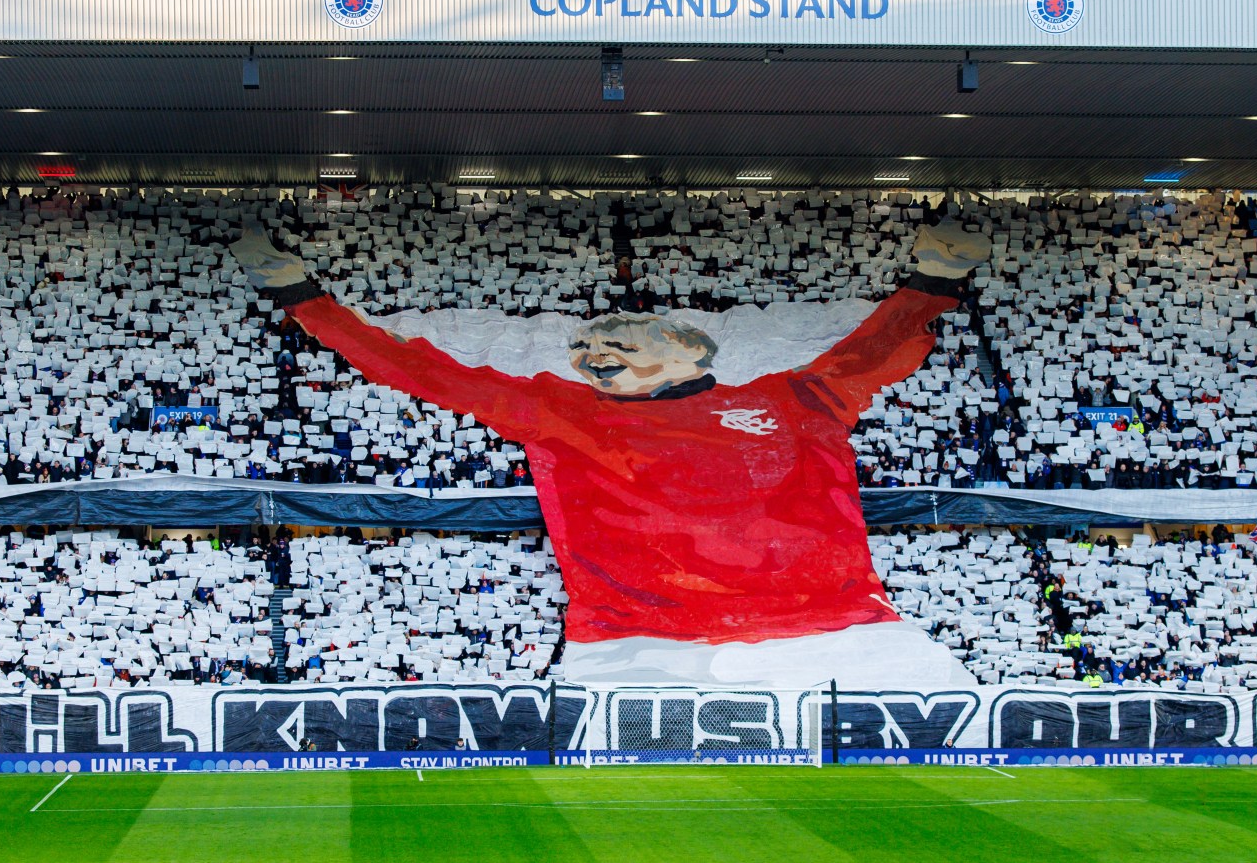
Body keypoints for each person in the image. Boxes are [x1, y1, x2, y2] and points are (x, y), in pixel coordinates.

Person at [231, 223, 991, 689]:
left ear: (691, 347)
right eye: (584, 348)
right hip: (641, 646)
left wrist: (936, 280)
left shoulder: (790, 399)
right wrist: (305, 299)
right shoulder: (558, 411)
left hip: (843, 636)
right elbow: (423, 370)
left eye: (615, 341)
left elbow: (876, 350)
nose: (592, 354)